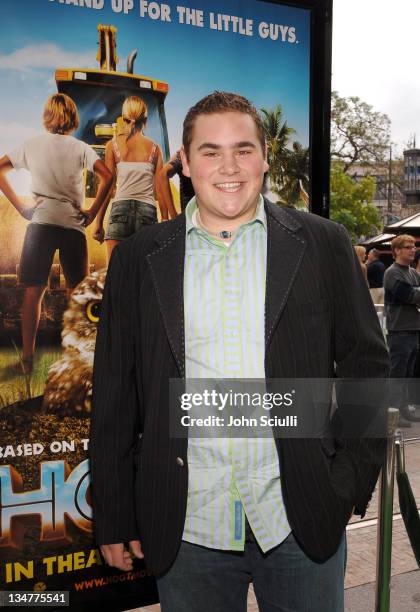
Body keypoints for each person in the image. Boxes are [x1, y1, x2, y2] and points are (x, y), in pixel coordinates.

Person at [90, 92, 389, 612]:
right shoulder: (139, 258)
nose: (228, 167)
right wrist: (115, 512)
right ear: (184, 161)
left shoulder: (323, 243)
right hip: (186, 528)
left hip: (301, 521)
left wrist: (345, 483)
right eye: (209, 151)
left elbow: (368, 368)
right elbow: (115, 390)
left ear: (265, 156)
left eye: (243, 149)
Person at [0, 93, 112, 374]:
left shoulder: (32, 145)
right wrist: (93, 211)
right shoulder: (81, 148)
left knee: (33, 292)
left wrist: (20, 207)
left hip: (40, 223)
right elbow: (108, 176)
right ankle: (79, 358)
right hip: (73, 225)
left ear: (47, 116)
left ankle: (27, 358)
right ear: (73, 117)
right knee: (78, 294)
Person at [93, 96, 167, 261]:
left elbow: (108, 187)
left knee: (115, 275)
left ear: (124, 118)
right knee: (143, 276)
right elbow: (161, 191)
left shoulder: (112, 145)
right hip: (148, 214)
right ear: (145, 120)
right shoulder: (155, 149)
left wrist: (98, 223)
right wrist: (165, 222)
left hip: (120, 211)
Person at [384, 234, 420, 427]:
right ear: (396, 250)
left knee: (408, 373)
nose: (412, 249)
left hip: (414, 329)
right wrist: (415, 294)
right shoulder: (392, 272)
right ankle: (393, 413)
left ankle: (404, 409)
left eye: (413, 246)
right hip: (399, 330)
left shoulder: (412, 273)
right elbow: (408, 295)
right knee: (397, 374)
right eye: (407, 246)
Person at [159, 149, 195, 215]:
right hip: (189, 211)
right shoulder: (184, 155)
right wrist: (173, 214)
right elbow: (163, 174)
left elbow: (163, 174)